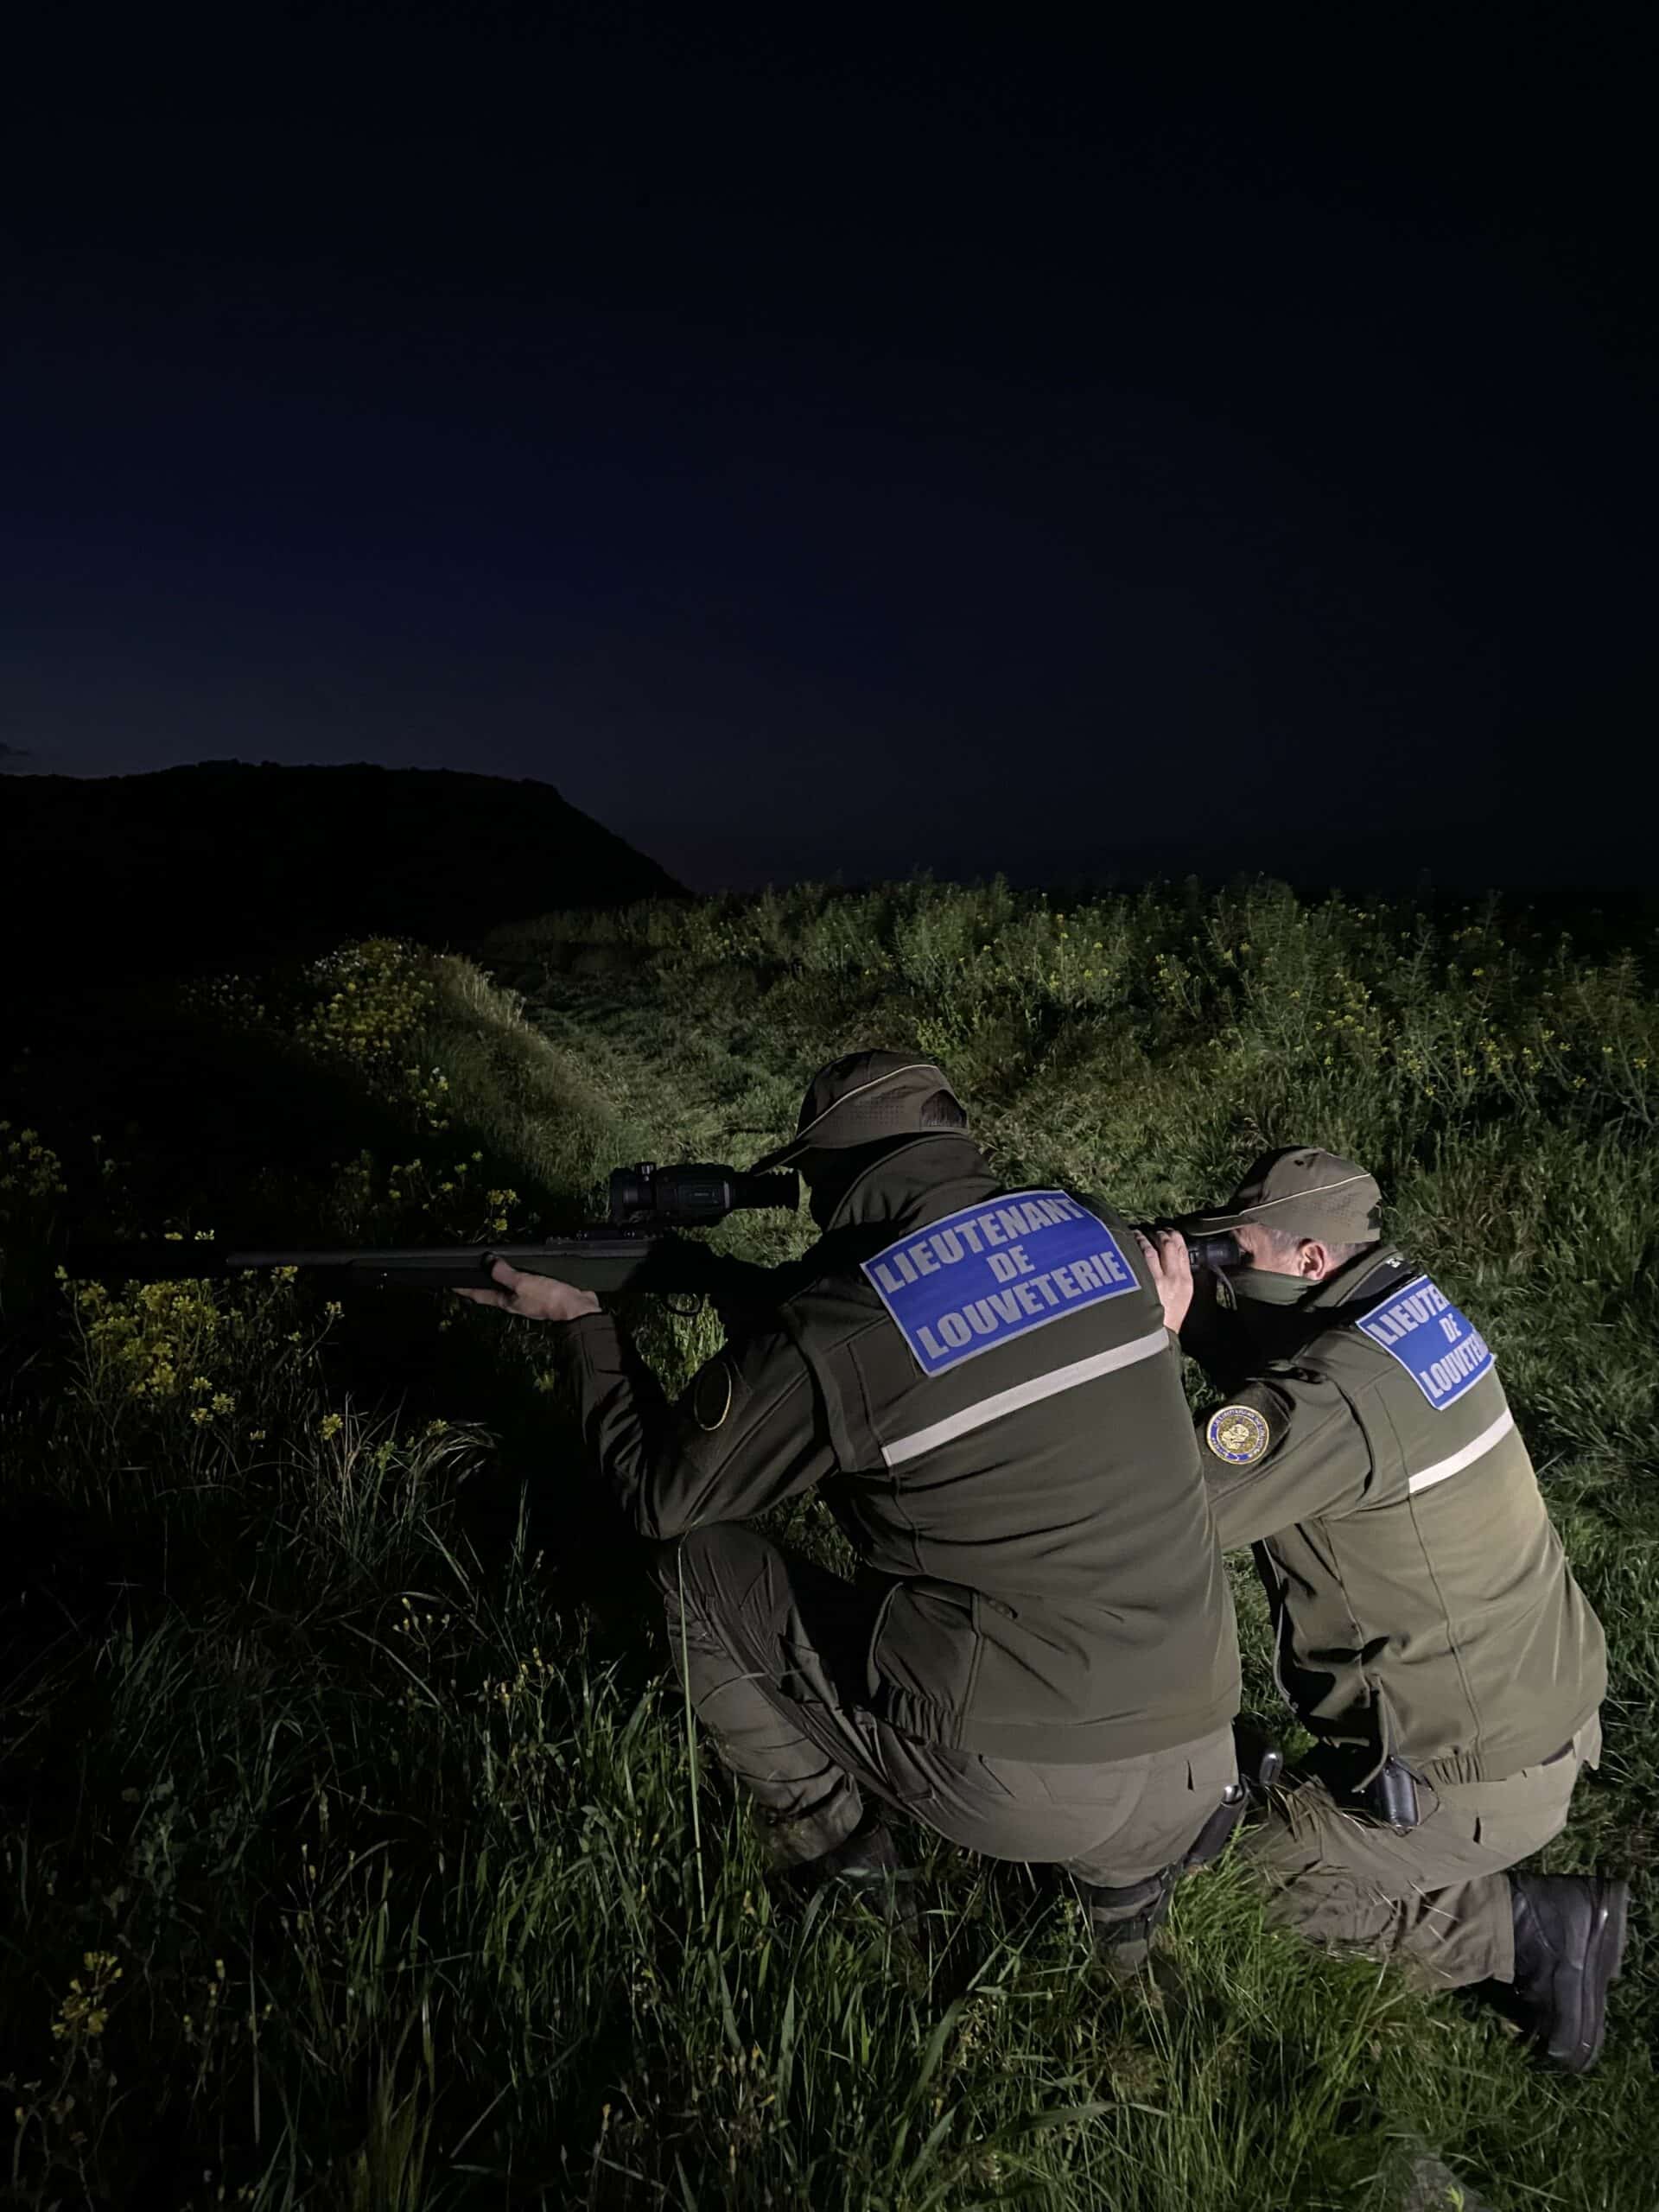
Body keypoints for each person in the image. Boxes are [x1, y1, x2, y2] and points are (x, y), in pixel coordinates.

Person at [460, 1051, 1240, 1970]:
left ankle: (849, 1873)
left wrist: (583, 1327)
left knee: (698, 1573)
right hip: (1203, 1749)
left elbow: (658, 1496)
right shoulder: (1099, 1235)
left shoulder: (846, 1321)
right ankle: (1126, 1907)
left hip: (1029, 1784)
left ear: (834, 1176)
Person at [1139, 1145, 1626, 2070]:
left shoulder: (1334, 1400)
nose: (1225, 1278)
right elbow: (1290, 1363)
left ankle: (1521, 1930)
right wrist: (1205, 1313)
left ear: (1313, 1262)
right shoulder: (1408, 1314)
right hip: (1538, 1714)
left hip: (1469, 1774)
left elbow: (1165, 1506)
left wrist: (1154, 1344)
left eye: (1236, 1258)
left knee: (1219, 1880)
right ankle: (1515, 1909)